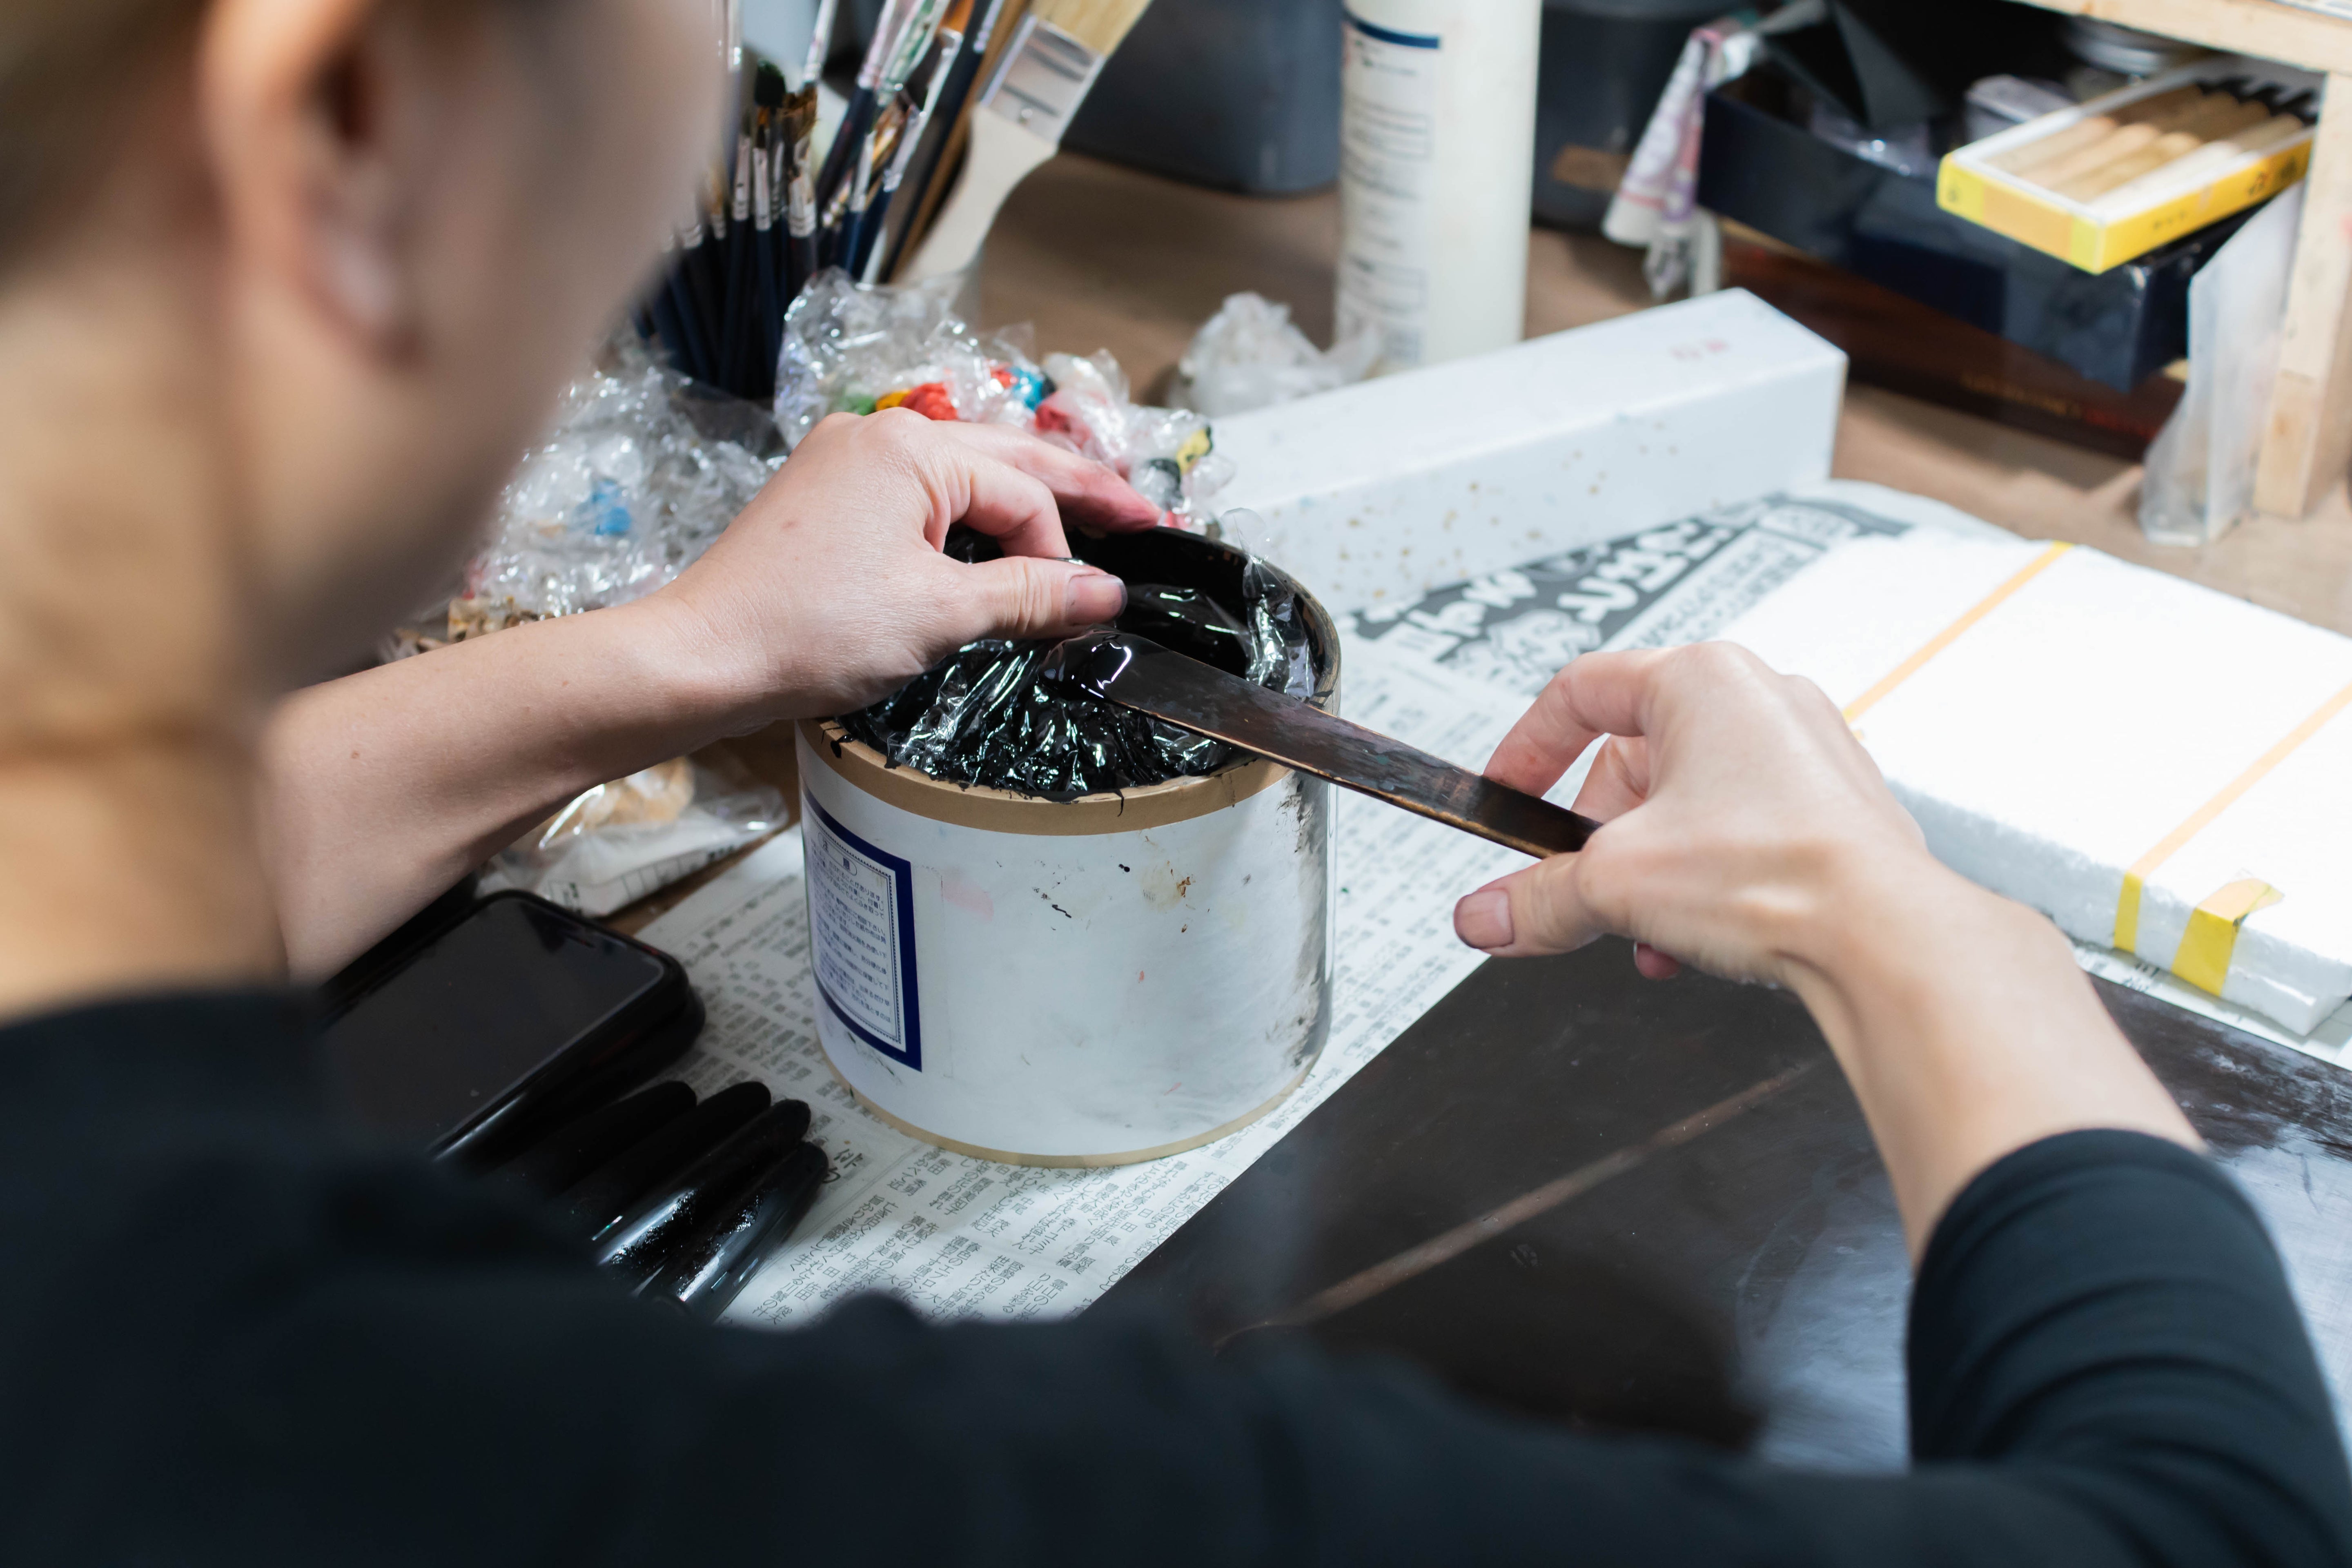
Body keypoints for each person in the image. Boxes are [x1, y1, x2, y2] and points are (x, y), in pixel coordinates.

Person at [0, 1, 2345, 1564]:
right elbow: (2212, 1520)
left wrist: (673, 657)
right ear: (338, 126)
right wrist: (1907, 918)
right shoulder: (503, 1460)